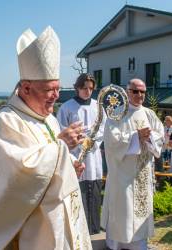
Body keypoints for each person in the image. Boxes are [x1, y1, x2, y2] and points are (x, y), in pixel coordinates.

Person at [0, 26, 92, 249]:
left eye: (58, 88)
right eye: (50, 90)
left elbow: (52, 158)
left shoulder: (49, 119)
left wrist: (70, 164)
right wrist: (61, 148)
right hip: (31, 232)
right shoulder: (6, 122)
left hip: (59, 219)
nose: (56, 96)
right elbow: (16, 178)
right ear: (26, 88)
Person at [102, 78, 164, 250]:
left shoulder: (149, 114)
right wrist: (136, 137)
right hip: (123, 174)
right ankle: (116, 243)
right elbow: (112, 141)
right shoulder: (117, 114)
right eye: (135, 91)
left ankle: (139, 243)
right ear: (127, 91)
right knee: (124, 210)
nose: (139, 95)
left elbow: (160, 135)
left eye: (143, 91)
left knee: (140, 210)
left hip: (142, 172)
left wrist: (150, 137)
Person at [57, 73, 105, 235]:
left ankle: (94, 228)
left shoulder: (98, 106)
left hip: (94, 156)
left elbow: (103, 128)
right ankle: (79, 230)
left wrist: (93, 141)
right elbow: (61, 128)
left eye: (91, 88)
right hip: (75, 155)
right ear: (77, 87)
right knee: (79, 191)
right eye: (84, 88)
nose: (87, 91)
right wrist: (77, 140)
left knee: (95, 190)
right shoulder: (67, 107)